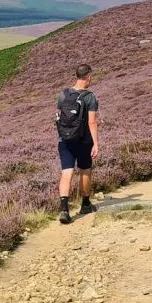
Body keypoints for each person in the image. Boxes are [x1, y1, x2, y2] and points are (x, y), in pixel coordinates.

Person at [55, 64, 100, 224]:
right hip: (83, 141)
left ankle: (64, 209)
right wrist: (96, 143)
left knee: (66, 172)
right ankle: (86, 204)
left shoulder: (63, 94)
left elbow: (59, 117)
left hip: (64, 140)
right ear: (88, 77)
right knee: (85, 171)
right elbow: (92, 122)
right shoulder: (90, 97)